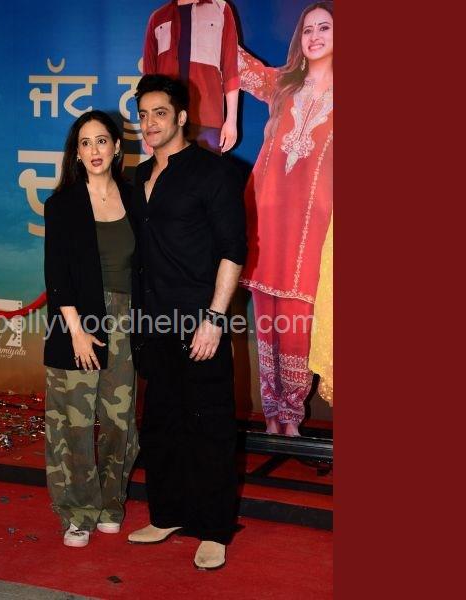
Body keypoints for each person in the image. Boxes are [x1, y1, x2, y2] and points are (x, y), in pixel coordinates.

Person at [126, 74, 246, 571]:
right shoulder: (136, 177)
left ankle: (214, 528)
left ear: (181, 116)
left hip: (199, 320)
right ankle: (168, 514)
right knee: (161, 423)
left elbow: (233, 250)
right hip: (151, 322)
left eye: (160, 113)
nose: (150, 123)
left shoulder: (214, 172)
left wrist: (214, 318)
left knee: (209, 425)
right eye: (143, 115)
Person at [43, 110, 139, 548]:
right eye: (85, 143)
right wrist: (77, 330)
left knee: (120, 419)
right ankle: (77, 512)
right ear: (76, 153)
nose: (95, 150)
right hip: (75, 319)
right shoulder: (61, 204)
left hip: (130, 319)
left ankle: (111, 504)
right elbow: (56, 272)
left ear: (117, 147)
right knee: (73, 422)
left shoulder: (136, 198)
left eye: (102, 140)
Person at [237, 2, 333, 436]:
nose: (314, 37)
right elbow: (239, 66)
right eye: (307, 29)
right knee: (267, 317)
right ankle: (273, 414)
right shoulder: (284, 84)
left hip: (315, 225)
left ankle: (291, 415)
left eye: (324, 28)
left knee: (297, 319)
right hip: (267, 218)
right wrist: (213, 14)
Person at [142, 0, 240, 154]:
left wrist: (231, 121)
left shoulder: (220, 9)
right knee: (169, 170)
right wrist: (147, 129)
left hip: (208, 118)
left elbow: (231, 70)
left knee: (207, 169)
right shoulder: (157, 18)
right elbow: (148, 81)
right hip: (166, 121)